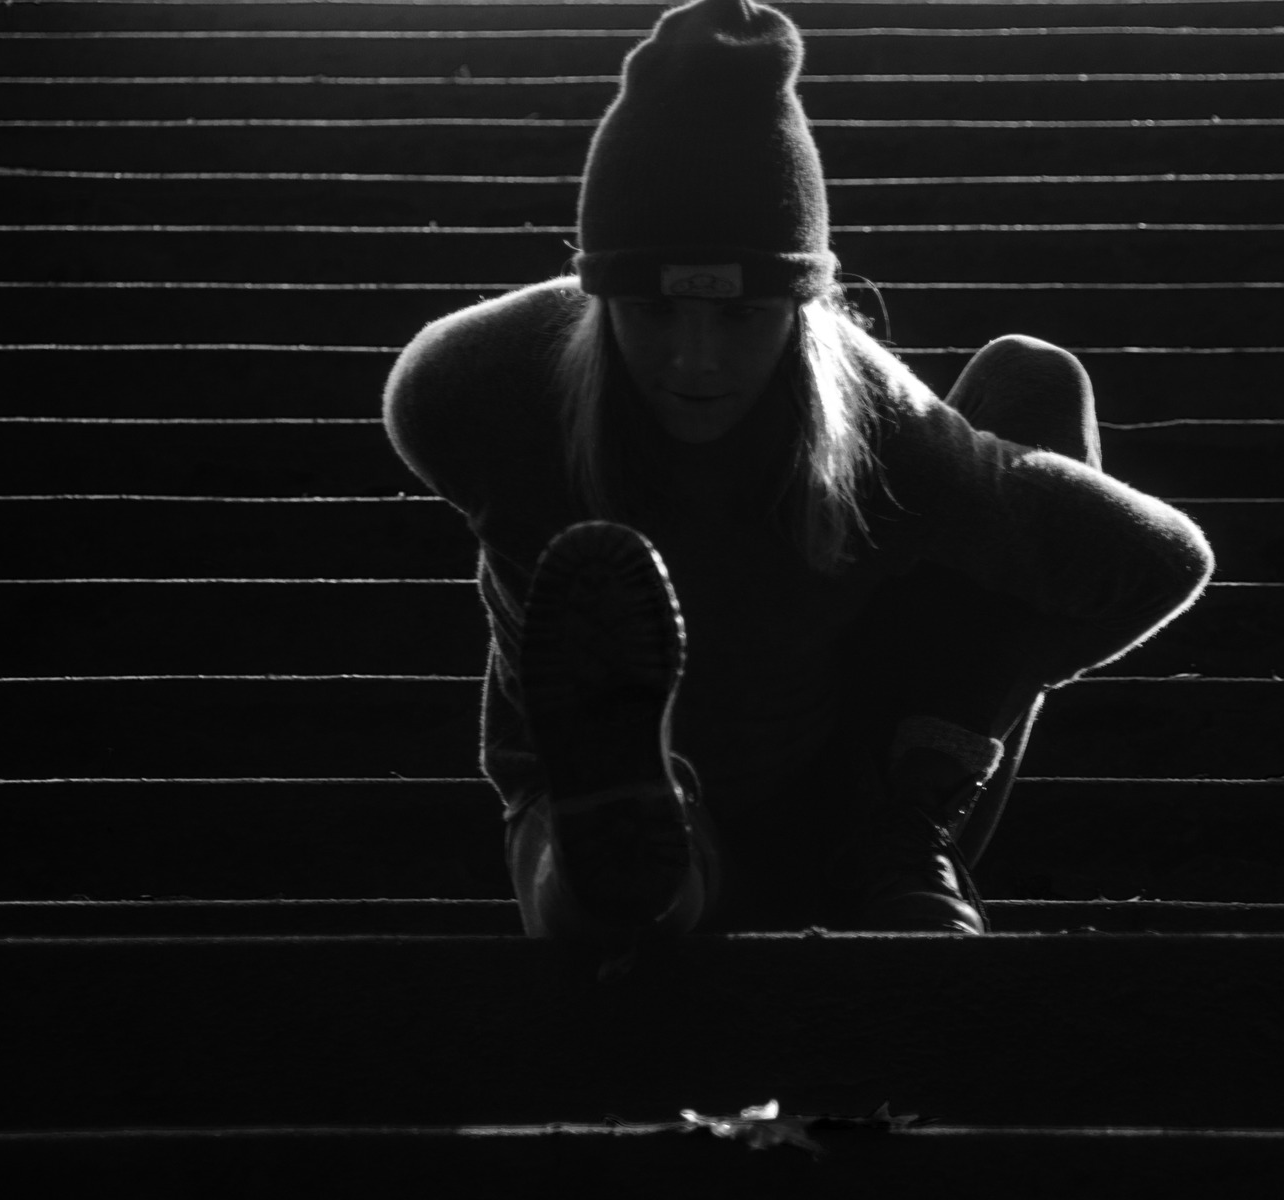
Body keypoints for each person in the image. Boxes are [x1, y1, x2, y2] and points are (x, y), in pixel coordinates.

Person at [384, 0, 1213, 961]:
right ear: (599, 301)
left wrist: (944, 725)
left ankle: (897, 828)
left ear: (800, 311)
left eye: (742, 316)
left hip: (827, 798)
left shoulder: (885, 433)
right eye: (653, 311)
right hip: (597, 811)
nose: (695, 360)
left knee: (1032, 383)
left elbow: (1156, 560)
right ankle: (634, 846)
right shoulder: (478, 389)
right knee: (605, 861)